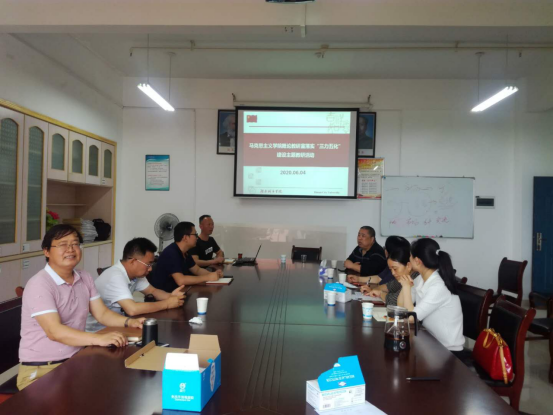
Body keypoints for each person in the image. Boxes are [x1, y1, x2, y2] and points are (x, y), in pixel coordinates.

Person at [18, 225, 145, 391]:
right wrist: (98, 339)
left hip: (75, 360)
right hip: (42, 369)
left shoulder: (84, 277)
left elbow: (102, 313)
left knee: (120, 384)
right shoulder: (39, 284)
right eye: (63, 244)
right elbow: (54, 331)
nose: (70, 249)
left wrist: (129, 322)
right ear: (46, 251)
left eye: (75, 244)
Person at [86, 237, 186, 332]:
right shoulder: (115, 276)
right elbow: (132, 309)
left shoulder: (136, 275)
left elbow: (153, 291)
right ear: (133, 261)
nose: (150, 269)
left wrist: (171, 296)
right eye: (148, 264)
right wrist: (167, 304)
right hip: (99, 330)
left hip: (120, 325)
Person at [397, 238, 464, 351]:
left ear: (417, 261)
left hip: (448, 350)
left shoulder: (438, 286)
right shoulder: (421, 279)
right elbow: (401, 306)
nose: (409, 259)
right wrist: (406, 279)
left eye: (410, 256)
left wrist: (407, 287)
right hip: (430, 342)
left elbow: (411, 318)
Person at [149, 221, 222, 293]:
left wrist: (213, 274)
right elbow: (181, 280)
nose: (197, 238)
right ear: (185, 237)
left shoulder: (185, 252)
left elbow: (197, 270)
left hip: (179, 291)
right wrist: (207, 277)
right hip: (165, 295)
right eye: (195, 235)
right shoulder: (171, 253)